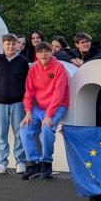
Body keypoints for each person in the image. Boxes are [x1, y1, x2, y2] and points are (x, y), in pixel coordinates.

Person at [20, 42, 69, 180]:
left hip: (57, 106)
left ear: (51, 52)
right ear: (36, 55)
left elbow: (58, 94)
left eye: (46, 51)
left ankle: (46, 163)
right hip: (39, 108)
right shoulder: (33, 68)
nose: (43, 54)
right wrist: (28, 111)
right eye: (40, 51)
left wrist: (48, 115)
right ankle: (34, 163)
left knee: (47, 129)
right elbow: (28, 92)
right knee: (25, 129)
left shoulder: (59, 67)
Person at [0, 33, 30, 174]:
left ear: (17, 45)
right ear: (3, 45)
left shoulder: (22, 61)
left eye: (13, 43)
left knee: (19, 133)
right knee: (2, 134)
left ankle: (20, 162)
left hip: (18, 103)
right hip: (0, 104)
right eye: (8, 44)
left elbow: (27, 82)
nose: (11, 46)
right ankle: (2, 163)